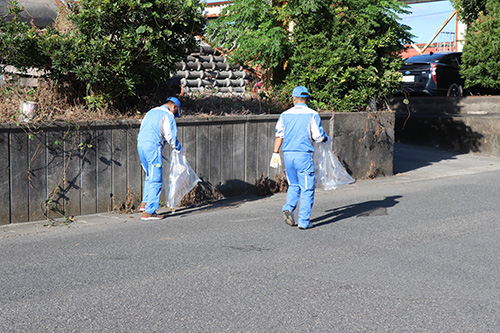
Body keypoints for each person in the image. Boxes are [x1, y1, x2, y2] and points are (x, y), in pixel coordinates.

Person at [270, 86, 330, 230]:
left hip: (288, 154)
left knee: (294, 184)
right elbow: (317, 137)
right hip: (303, 155)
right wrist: (326, 139)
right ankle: (303, 221)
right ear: (307, 99)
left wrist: (275, 153)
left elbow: (279, 135)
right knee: (307, 188)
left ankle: (289, 208)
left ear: (294, 99)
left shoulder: (285, 114)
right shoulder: (312, 114)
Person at [137, 97, 183, 221]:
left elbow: (142, 130)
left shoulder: (150, 112)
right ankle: (149, 212)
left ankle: (145, 204)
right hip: (153, 148)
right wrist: (179, 149)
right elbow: (171, 136)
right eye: (175, 111)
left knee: (149, 175)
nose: (174, 114)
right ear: (174, 107)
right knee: (156, 179)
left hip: (141, 146)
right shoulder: (168, 115)